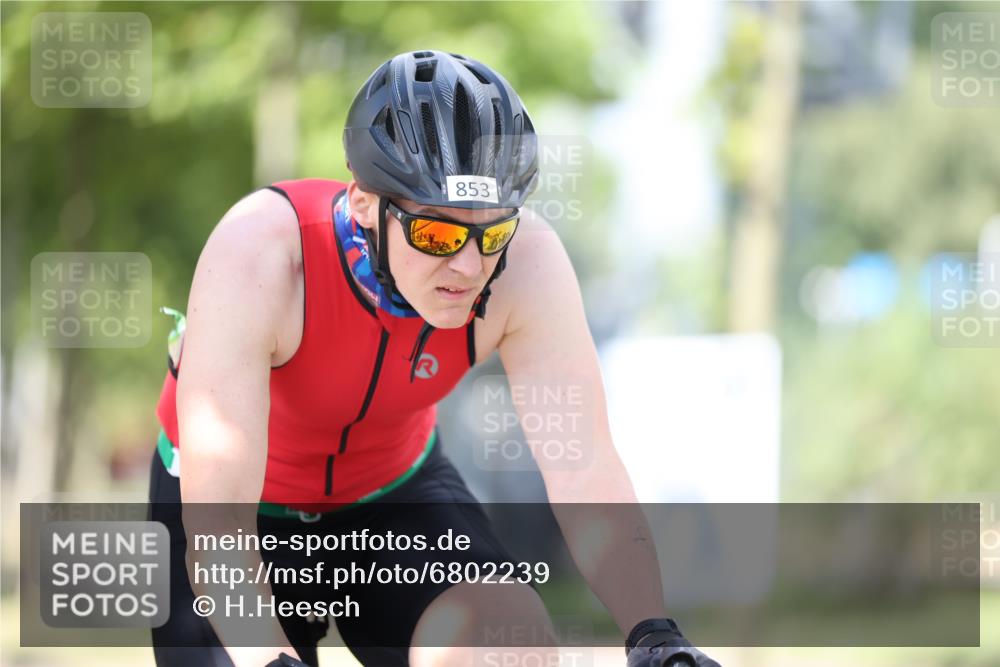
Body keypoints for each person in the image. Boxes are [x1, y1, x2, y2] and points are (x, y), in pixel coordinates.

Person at [147, 50, 721, 667]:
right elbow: (219, 524)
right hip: (237, 511)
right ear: (364, 202)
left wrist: (652, 633)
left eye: (491, 232)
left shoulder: (528, 267)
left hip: (394, 498)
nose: (470, 266)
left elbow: (582, 465)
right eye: (437, 234)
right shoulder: (259, 253)